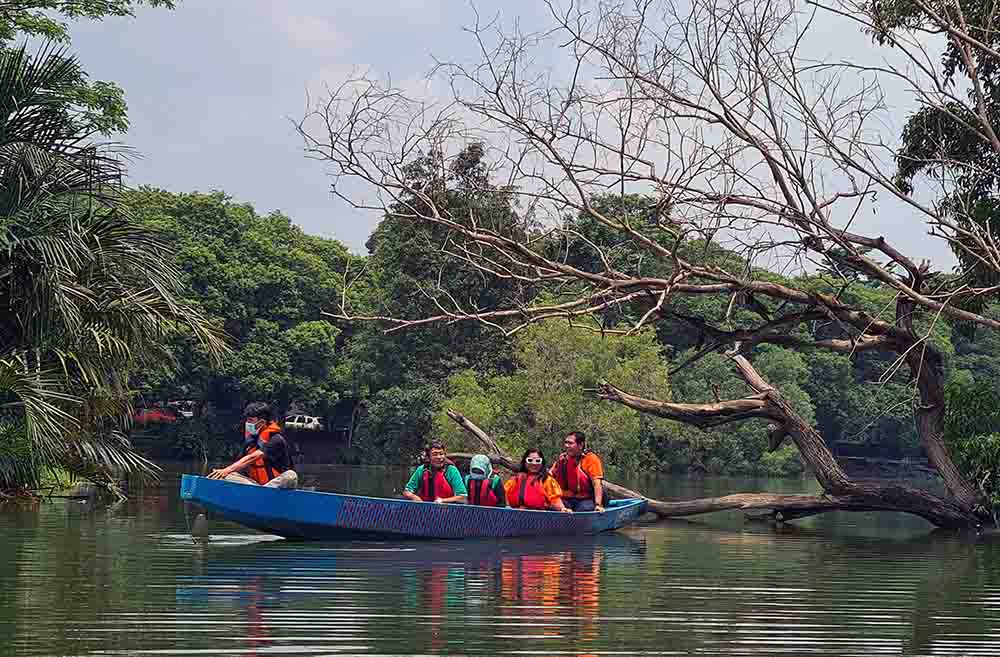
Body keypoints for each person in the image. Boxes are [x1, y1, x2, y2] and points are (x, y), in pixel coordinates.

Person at [207, 402, 297, 488]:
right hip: (256, 486)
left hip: (277, 487)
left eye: (250, 420)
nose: (247, 423)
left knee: (291, 475)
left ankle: (262, 494)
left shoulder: (276, 439)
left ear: (262, 422)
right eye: (247, 420)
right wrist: (224, 473)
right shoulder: (250, 441)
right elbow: (241, 466)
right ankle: (258, 494)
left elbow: (255, 456)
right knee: (221, 475)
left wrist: (227, 470)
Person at [550, 431, 605, 512]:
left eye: (570, 443)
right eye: (566, 443)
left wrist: (598, 505)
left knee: (582, 509)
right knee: (551, 505)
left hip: (587, 499)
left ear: (580, 445)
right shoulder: (563, 459)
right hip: (568, 498)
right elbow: (548, 476)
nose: (566, 446)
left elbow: (597, 483)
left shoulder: (591, 459)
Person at [504, 448, 570, 512]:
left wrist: (562, 509)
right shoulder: (515, 479)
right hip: (517, 515)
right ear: (525, 462)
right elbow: (504, 494)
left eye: (538, 461)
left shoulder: (547, 480)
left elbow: (555, 500)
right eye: (530, 460)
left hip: (539, 517)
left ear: (542, 463)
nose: (534, 464)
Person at [402, 440, 468, 503]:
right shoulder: (422, 469)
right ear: (428, 457)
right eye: (435, 454)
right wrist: (414, 497)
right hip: (425, 509)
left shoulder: (451, 470)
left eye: (441, 454)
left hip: (447, 511)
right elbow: (407, 491)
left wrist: (443, 500)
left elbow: (463, 497)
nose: (439, 457)